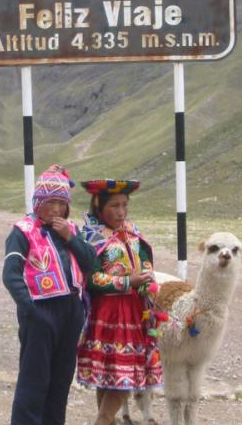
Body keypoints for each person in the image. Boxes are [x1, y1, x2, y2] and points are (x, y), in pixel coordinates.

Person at [3, 164, 96, 425]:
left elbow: (91, 263)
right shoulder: (23, 231)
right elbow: (11, 275)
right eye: (50, 202)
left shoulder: (72, 230)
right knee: (34, 381)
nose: (56, 209)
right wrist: (31, 310)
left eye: (61, 203)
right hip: (40, 312)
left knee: (60, 381)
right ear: (38, 202)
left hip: (70, 312)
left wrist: (70, 238)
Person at [76, 179, 163, 425]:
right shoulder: (90, 236)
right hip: (107, 313)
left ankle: (105, 420)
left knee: (122, 370)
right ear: (98, 205)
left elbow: (144, 257)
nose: (121, 211)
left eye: (125, 205)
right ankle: (104, 420)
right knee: (111, 371)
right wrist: (127, 282)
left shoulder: (132, 232)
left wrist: (145, 275)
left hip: (134, 313)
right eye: (114, 205)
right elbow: (90, 278)